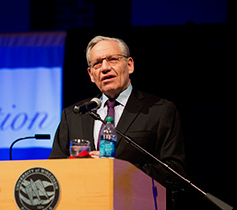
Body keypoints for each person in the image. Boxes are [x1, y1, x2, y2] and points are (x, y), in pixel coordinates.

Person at [49, 35, 186, 187]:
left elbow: (175, 172)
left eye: (113, 59)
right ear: (91, 75)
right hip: (84, 205)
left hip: (136, 206)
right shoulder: (74, 115)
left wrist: (119, 169)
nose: (105, 67)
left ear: (130, 65)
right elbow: (54, 169)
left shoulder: (160, 111)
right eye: (97, 63)